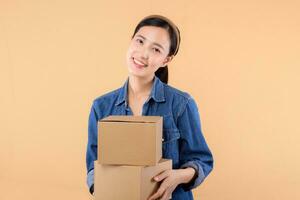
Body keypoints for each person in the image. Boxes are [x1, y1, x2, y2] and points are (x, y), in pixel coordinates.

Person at [86, 14, 214, 200]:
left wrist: (177, 176)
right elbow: (93, 168)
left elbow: (202, 160)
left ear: (166, 60)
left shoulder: (181, 104)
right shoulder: (101, 107)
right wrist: (106, 190)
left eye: (155, 49)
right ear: (131, 42)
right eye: (140, 41)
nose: (143, 53)